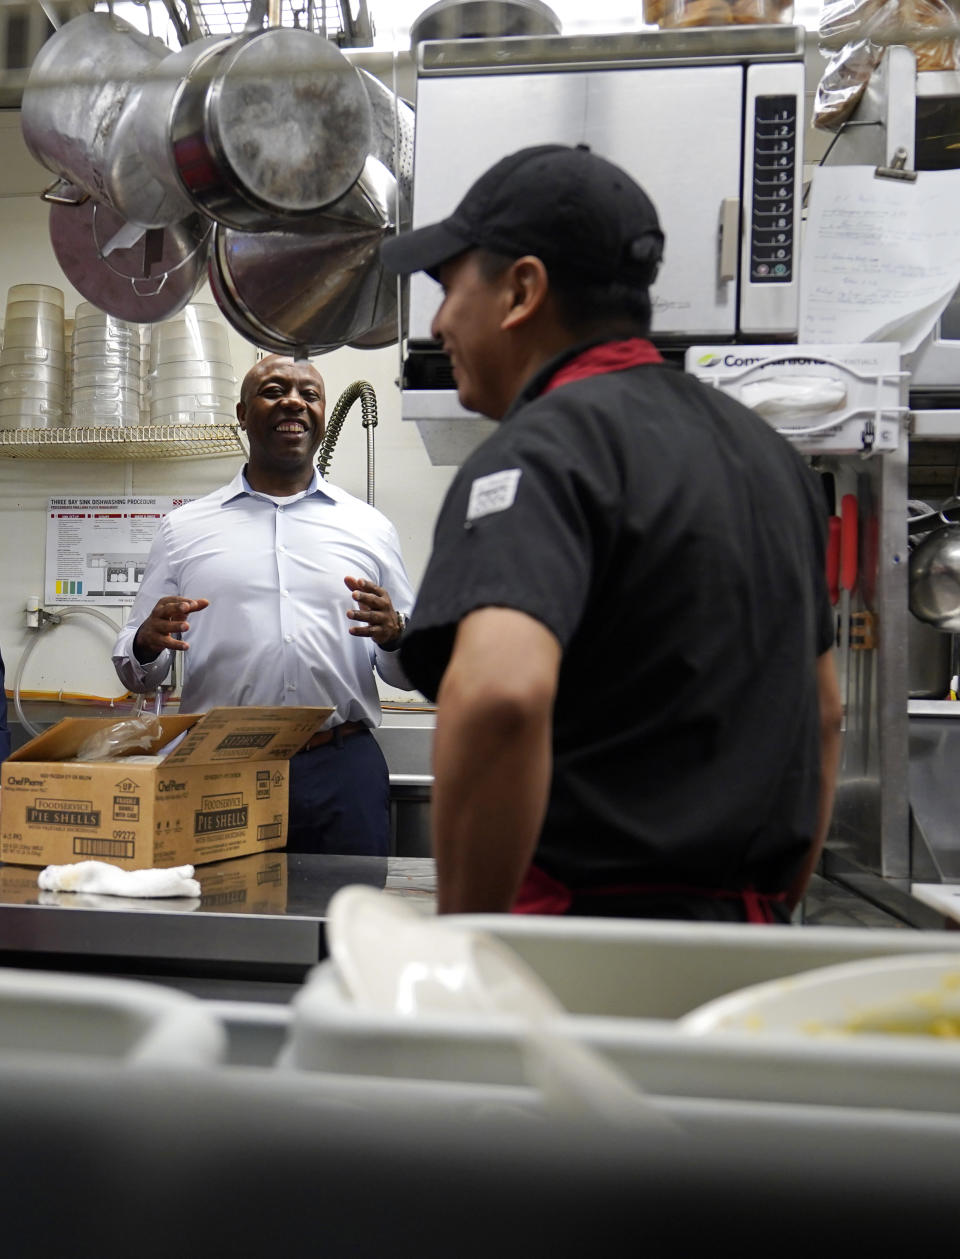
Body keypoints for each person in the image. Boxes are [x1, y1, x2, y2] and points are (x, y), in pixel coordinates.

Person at [380, 143, 843, 922]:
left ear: (521, 289)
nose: (438, 323)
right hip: (747, 941)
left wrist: (464, 941)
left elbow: (499, 694)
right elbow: (824, 711)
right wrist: (760, 909)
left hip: (581, 946)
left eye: (449, 285)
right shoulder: (770, 456)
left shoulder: (542, 451)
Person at [113, 354, 415, 856]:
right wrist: (146, 640)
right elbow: (134, 670)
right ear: (242, 412)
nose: (293, 401)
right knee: (221, 926)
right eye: (274, 390)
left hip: (342, 766)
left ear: (319, 415)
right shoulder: (185, 528)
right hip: (220, 765)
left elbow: (408, 672)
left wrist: (398, 633)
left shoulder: (370, 528)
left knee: (345, 927)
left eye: (309, 394)